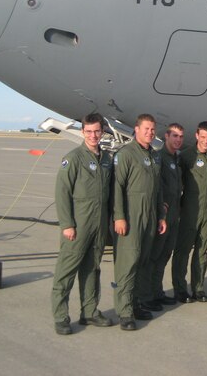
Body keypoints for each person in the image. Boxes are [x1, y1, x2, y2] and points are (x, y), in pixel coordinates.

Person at [51, 113, 114, 335]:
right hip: (78, 224)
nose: (93, 135)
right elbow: (62, 193)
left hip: (98, 225)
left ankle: (89, 311)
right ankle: (61, 317)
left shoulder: (106, 159)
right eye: (89, 131)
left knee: (92, 270)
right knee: (66, 271)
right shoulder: (74, 158)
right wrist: (67, 224)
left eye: (97, 131)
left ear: (102, 132)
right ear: (82, 132)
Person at [112, 114, 167, 331]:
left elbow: (158, 189)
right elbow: (117, 187)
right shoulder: (126, 154)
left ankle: (135, 304)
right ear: (136, 129)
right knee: (128, 263)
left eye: (153, 129)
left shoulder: (154, 156)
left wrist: (161, 215)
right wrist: (119, 216)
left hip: (150, 216)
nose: (150, 133)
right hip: (131, 216)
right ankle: (124, 312)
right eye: (146, 129)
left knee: (143, 261)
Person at [172, 121, 207, 302]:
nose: (206, 141)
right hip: (190, 210)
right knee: (183, 250)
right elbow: (177, 183)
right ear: (196, 136)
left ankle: (198, 288)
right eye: (203, 137)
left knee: (202, 251)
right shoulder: (186, 157)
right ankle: (179, 288)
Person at [143, 123, 184, 307]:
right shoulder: (159, 158)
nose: (178, 140)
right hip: (164, 214)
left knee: (165, 254)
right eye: (174, 136)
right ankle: (146, 295)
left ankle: (157, 291)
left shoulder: (176, 158)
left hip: (174, 214)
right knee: (154, 255)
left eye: (180, 137)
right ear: (166, 136)